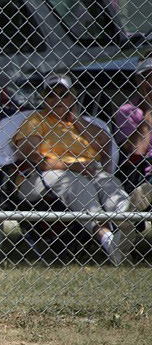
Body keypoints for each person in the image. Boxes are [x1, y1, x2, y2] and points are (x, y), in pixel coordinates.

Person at [12, 73, 152, 265]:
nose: (58, 99)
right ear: (43, 98)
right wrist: (73, 165)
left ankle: (124, 213)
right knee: (78, 187)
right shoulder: (36, 120)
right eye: (52, 94)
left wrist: (76, 120)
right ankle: (110, 241)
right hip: (45, 175)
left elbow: (104, 143)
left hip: (88, 171)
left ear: (73, 97)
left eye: (64, 94)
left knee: (109, 182)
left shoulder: (78, 123)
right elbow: (31, 155)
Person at [114, 57, 152, 194]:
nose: (151, 82)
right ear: (138, 81)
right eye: (146, 77)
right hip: (145, 174)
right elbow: (137, 150)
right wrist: (148, 111)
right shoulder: (128, 111)